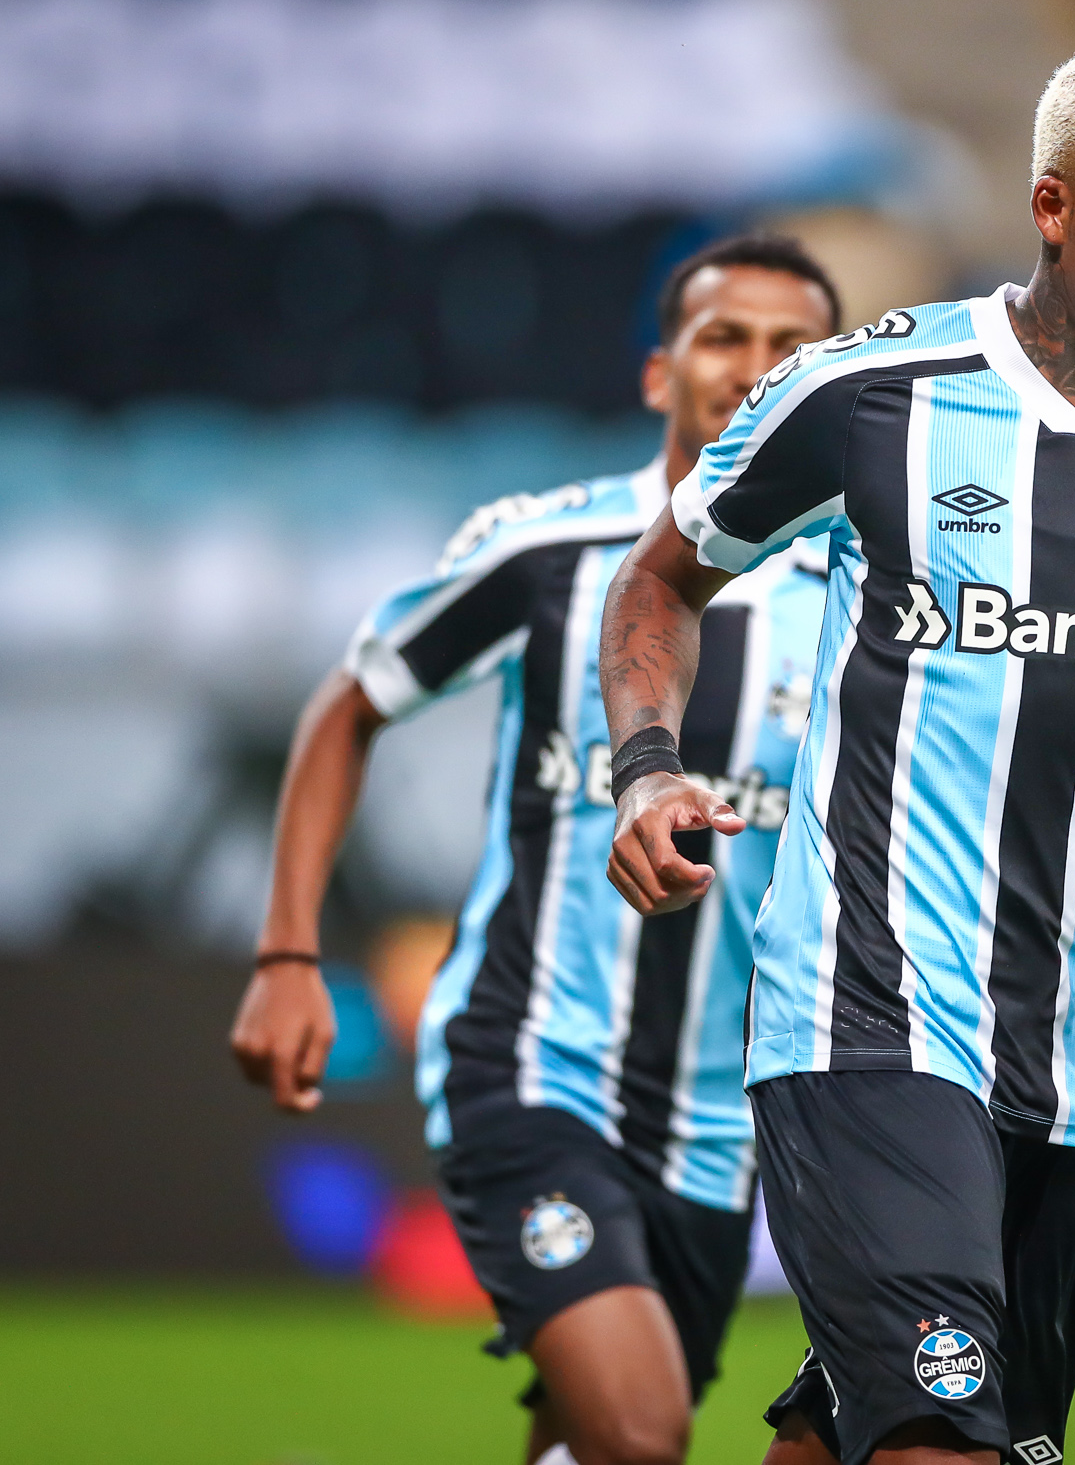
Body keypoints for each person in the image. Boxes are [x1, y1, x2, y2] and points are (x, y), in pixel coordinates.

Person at [598, 40, 1075, 1465]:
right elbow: (660, 581)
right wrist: (645, 763)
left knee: (885, 1425)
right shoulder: (871, 394)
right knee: (941, 1442)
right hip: (865, 1006)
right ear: (1053, 207)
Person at [230, 233, 844, 1465]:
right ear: (659, 372)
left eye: (791, 349)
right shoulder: (554, 550)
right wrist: (287, 953)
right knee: (641, 1432)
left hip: (723, 1115)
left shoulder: (868, 591)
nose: (754, 367)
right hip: (534, 1059)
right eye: (723, 337)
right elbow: (350, 704)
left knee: (585, 1437)